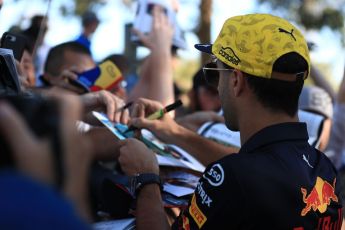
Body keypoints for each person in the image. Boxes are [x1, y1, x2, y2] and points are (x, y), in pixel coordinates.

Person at [118, 13, 343, 229]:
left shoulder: (233, 177)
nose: (217, 86)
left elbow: (242, 174)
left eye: (216, 73)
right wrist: (174, 131)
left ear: (236, 80)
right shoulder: (324, 169)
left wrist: (145, 176)